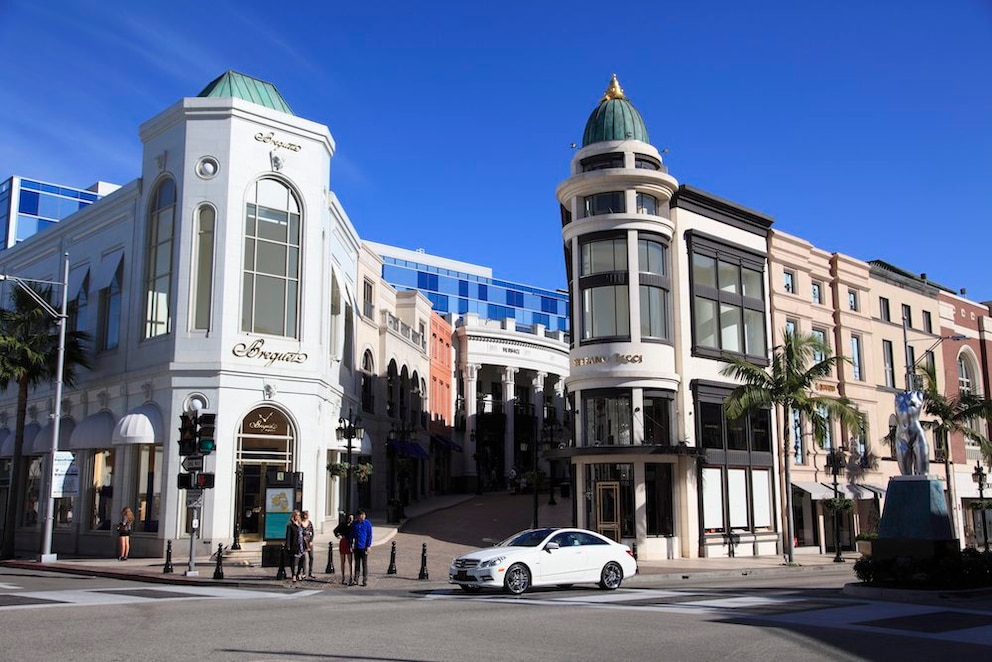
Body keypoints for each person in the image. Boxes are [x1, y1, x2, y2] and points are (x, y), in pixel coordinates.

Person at [350, 509, 373, 587]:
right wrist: (351, 545)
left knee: (364, 564)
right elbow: (351, 536)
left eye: (364, 515)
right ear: (358, 516)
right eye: (361, 515)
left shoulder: (367, 524)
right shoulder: (354, 524)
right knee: (357, 564)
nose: (363, 516)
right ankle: (356, 579)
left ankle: (364, 580)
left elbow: (369, 536)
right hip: (356, 546)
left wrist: (368, 546)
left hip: (364, 546)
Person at [284, 510, 307, 582]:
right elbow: (288, 537)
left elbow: (303, 533)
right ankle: (293, 575)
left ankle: (298, 573)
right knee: (294, 561)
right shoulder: (290, 526)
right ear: (294, 516)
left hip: (301, 545)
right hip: (295, 545)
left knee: (302, 560)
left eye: (299, 515)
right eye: (296, 515)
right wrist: (288, 546)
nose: (298, 517)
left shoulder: (300, 525)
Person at [333, 513, 355, 585]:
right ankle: (343, 577)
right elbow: (335, 531)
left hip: (350, 543)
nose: (350, 520)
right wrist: (338, 535)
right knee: (343, 561)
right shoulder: (343, 524)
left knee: (350, 561)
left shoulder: (353, 525)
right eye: (349, 518)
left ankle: (351, 576)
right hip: (343, 542)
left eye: (352, 518)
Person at [300, 510, 316, 579]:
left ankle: (310, 572)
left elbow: (312, 532)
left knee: (311, 557)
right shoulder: (300, 523)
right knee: (304, 558)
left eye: (308, 515)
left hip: (309, 542)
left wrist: (311, 540)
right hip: (303, 542)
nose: (307, 516)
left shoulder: (310, 523)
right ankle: (304, 572)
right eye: (306, 515)